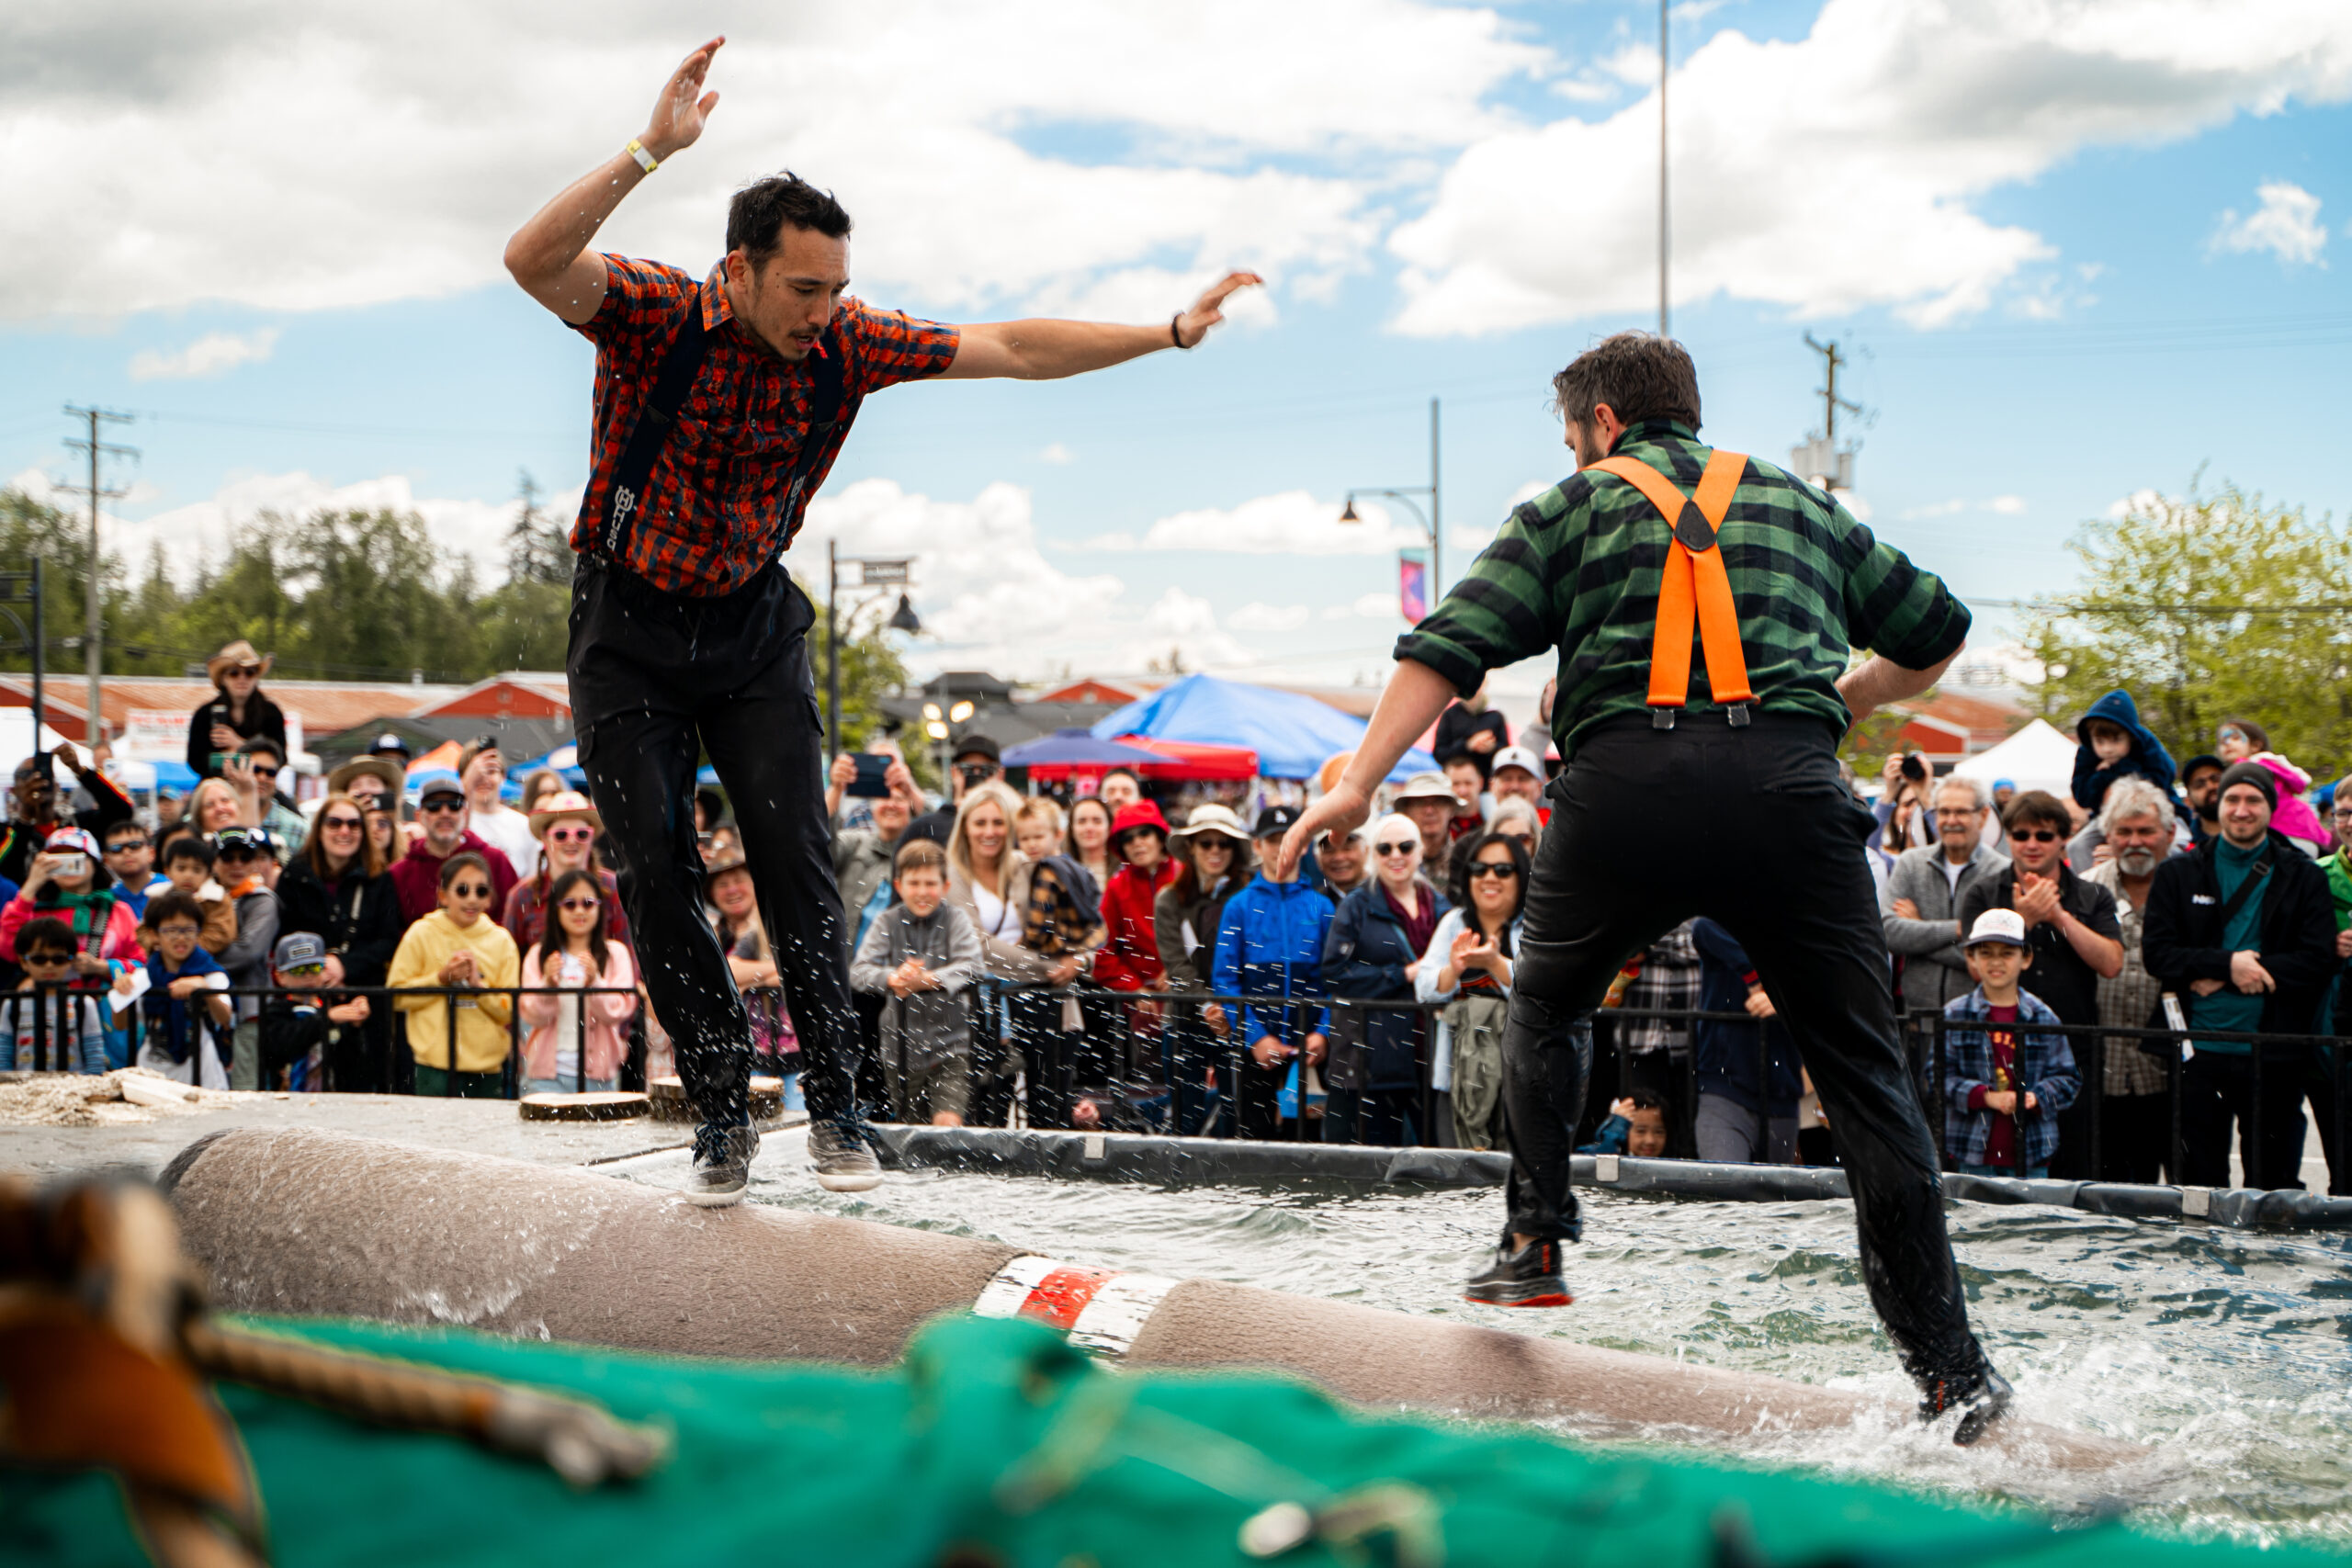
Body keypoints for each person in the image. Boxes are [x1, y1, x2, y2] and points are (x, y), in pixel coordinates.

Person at [505, 31, 1263, 1199]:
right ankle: (721, 1115)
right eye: (803, 288)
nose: (824, 310)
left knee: (798, 862)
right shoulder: (653, 310)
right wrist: (648, 149)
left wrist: (1165, 332)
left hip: (752, 623)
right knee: (656, 873)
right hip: (628, 629)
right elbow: (530, 256)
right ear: (739, 269)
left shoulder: (848, 344)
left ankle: (840, 1113)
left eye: (836, 288)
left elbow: (1012, 345)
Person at [1280, 331, 2011, 1438]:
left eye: (1571, 436)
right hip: (1789, 795)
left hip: (1624, 791)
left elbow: (1449, 647)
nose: (1573, 454)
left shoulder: (1567, 509)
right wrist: (1833, 703)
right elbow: (1937, 630)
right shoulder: (1797, 504)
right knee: (1866, 1082)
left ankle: (1534, 1237)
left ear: (1602, 424)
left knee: (1546, 1004)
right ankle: (1954, 1375)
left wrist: (1358, 785)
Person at [2143, 761, 2336, 1190]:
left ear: (2271, 806)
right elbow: (2157, 954)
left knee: (2275, 1187)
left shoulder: (2303, 875)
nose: (2242, 809)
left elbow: (2317, 959)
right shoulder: (2178, 873)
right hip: (2198, 1052)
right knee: (2199, 1186)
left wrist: (2241, 970)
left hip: (2274, 1052)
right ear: (2219, 803)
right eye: (2233, 798)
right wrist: (2229, 965)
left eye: (2254, 799)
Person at [1957, 788, 2122, 1178]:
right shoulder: (1983, 891)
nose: (2032, 844)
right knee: (1994, 1174)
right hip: (1994, 1050)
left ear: (2064, 838)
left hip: (2071, 1049)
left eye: (2044, 835)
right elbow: (1976, 970)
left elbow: (2111, 963)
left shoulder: (2092, 893)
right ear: (2007, 837)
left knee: (2074, 1168)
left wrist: (2058, 916)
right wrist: (2023, 920)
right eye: (2021, 835)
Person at [1323, 812, 1445, 1146]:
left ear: (1420, 851)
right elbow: (1335, 974)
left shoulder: (1440, 905)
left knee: (1435, 1160)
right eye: (1385, 848)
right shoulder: (1356, 906)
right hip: (1372, 1059)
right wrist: (1402, 974)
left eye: (1405, 846)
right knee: (1371, 1163)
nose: (1396, 855)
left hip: (1429, 1053)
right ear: (1372, 855)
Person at [1212, 807, 1333, 1140]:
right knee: (1253, 1139)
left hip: (1309, 1049)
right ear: (1256, 846)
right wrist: (1256, 1037)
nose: (1282, 848)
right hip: (1255, 1048)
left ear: (1304, 845)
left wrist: (1322, 1033)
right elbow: (1225, 980)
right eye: (1273, 840)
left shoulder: (1321, 907)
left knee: (1308, 1142)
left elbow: (1335, 980)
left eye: (1289, 840)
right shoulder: (1238, 905)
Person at [2080, 776, 2176, 1184]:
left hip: (2169, 1068)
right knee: (2107, 1186)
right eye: (2124, 832)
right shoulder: (2085, 889)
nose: (2135, 841)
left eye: (2146, 831)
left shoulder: (2187, 885)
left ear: (2168, 834)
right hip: (2102, 1065)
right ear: (2108, 835)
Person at [274, 792, 403, 1094]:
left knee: (360, 1088)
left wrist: (343, 964)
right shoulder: (296, 875)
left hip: (362, 999)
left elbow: (388, 940)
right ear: (319, 829)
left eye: (353, 824)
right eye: (334, 823)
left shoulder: (378, 879)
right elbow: (283, 936)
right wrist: (313, 966)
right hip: (304, 997)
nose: (344, 831)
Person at [851, 839, 983, 1126]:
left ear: (945, 887)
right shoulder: (888, 921)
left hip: (951, 1047)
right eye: (914, 883)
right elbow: (858, 971)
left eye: (930, 883)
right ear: (899, 886)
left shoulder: (956, 919)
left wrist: (929, 980)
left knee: (947, 1126)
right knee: (912, 1131)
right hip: (900, 1049)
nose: (922, 892)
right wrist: (892, 977)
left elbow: (974, 966)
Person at [1940, 909, 2079, 1179]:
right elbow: (1937, 1078)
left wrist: (2036, 1096)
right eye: (1986, 953)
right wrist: (1986, 1096)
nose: (1996, 962)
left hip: (2033, 1153)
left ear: (2025, 958)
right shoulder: (1954, 1014)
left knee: (2029, 1219)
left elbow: (2068, 1078)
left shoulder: (2043, 1017)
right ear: (1971, 958)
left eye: (2007, 953)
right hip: (1971, 1151)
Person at [1415, 831, 1528, 1152]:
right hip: (1457, 1080)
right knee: (1458, 1181)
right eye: (1480, 869)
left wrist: (1496, 964)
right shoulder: (1454, 922)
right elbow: (1424, 987)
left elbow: (1541, 992)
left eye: (1503, 870)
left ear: (1521, 876)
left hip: (1520, 1082)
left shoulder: (1534, 925)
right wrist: (1453, 971)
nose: (1490, 877)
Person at [390, 852, 520, 1099]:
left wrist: (477, 987)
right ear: (443, 895)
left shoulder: (501, 940)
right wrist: (440, 979)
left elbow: (510, 1008)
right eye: (462, 890)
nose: (471, 899)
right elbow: (396, 995)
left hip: (487, 1067)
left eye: (480, 891)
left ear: (489, 899)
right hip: (433, 1066)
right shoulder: (422, 932)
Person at [1154, 804, 1250, 1136]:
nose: (1215, 851)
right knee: (1184, 1120)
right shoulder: (1169, 899)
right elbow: (1176, 965)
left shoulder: (1247, 896)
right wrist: (1209, 1005)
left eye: (1223, 843)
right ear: (1191, 848)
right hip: (1184, 1018)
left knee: (1239, 1119)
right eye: (1206, 843)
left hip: (1237, 1018)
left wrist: (1226, 1007)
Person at [1883, 777, 2009, 1017]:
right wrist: (1956, 931)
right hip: (1918, 1019)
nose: (1951, 821)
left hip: (1978, 1019)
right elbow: (1889, 933)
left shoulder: (2001, 871)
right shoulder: (1911, 863)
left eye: (1961, 812)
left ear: (1983, 816)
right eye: (1944, 812)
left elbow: (1992, 959)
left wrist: (1919, 930)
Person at [1688, 918, 1803, 1164]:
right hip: (1724, 1086)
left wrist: (1783, 996)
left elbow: (1828, 975)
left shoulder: (1804, 919)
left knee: (1776, 1200)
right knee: (1723, 1194)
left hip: (1782, 1091)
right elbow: (1704, 926)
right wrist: (1756, 978)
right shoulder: (1726, 915)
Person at [519, 869, 640, 1096]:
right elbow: (531, 1015)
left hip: (598, 1075)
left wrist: (595, 981)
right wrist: (547, 984)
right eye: (569, 904)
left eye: (587, 903)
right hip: (545, 1077)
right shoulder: (538, 954)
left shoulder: (615, 953)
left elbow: (618, 1011)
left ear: (599, 908)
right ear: (556, 909)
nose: (579, 911)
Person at [707, 848, 798, 1087]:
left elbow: (801, 973)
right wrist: (774, 973)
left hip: (793, 1053)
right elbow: (727, 974)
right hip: (744, 1052)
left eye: (739, 881)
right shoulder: (712, 936)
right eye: (723, 884)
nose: (732, 890)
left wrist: (754, 978)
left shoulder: (779, 928)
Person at [0, 828, 143, 978]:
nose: (69, 866)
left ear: (94, 862)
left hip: (102, 998)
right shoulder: (35, 909)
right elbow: (9, 950)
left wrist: (102, 967)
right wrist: (31, 885)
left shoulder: (117, 910)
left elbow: (142, 963)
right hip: (50, 998)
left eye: (76, 858)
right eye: (59, 860)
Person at [502, 792, 631, 951]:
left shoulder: (613, 888)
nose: (571, 841)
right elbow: (510, 963)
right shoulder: (521, 896)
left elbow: (628, 961)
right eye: (561, 835)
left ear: (592, 837)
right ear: (545, 838)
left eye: (581, 834)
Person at [391, 771, 519, 927]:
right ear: (419, 816)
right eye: (434, 806)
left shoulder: (496, 861)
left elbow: (513, 922)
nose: (445, 813)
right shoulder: (399, 874)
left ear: (464, 813)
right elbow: (393, 933)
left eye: (454, 805)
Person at [134, 890, 233, 1088]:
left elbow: (225, 1019)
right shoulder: (145, 976)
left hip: (201, 1068)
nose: (181, 938)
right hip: (153, 1069)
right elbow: (121, 1023)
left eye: (188, 930)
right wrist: (121, 990)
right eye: (171, 930)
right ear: (154, 934)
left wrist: (203, 989)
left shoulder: (210, 973)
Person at [1, 744, 133, 887]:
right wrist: (25, 818)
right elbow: (6, 872)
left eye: (44, 774)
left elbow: (122, 811)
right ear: (14, 790)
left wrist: (80, 771)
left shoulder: (81, 826)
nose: (36, 780)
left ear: (57, 785)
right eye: (27, 775)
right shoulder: (7, 833)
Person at [211, 827, 282, 1093]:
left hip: (248, 1012)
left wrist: (197, 963)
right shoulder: (204, 898)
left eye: (245, 857)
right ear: (215, 862)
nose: (237, 865)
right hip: (210, 1010)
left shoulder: (262, 900)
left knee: (245, 1090)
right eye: (228, 858)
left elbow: (248, 951)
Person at [258, 932, 370, 1093]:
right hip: (287, 1095)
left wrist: (354, 1025)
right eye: (299, 970)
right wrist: (327, 1019)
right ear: (280, 976)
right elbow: (282, 1045)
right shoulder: (276, 1010)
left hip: (330, 1094)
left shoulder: (330, 1007)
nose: (308, 976)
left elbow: (350, 1061)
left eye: (315, 967)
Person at [5, 917, 111, 1074]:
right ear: (23, 962)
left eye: (58, 959)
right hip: (24, 1090)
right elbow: (3, 1054)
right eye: (39, 959)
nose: (49, 965)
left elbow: (94, 1056)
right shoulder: (13, 1004)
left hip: (73, 1090)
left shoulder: (83, 1004)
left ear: (71, 961)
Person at [2216, 719, 2333, 855]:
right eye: (2222, 740)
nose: (2228, 743)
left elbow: (2267, 802)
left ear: (2255, 745)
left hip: (2288, 835)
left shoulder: (2258, 769)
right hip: (2297, 832)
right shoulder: (2263, 767)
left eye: (2235, 737)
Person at [185, 640, 287, 782]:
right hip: (215, 785)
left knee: (288, 805)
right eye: (234, 673)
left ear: (256, 678)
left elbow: (281, 758)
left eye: (249, 673)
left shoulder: (271, 713)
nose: (242, 678)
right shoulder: (204, 714)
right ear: (223, 679)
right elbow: (194, 760)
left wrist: (241, 744)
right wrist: (223, 763)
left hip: (258, 784)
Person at [2070, 689, 2176, 820]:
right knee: (2078, 842)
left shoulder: (2147, 746)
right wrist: (2103, 776)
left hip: (2158, 815)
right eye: (2100, 741)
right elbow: (2082, 798)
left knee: (2180, 838)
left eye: (2116, 740)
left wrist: (2118, 768)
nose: (2107, 749)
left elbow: (2161, 780)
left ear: (2131, 737)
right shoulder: (2086, 753)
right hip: (2106, 818)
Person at [458, 740, 541, 879]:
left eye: (491, 771)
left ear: (502, 777)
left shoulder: (523, 824)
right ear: (463, 779)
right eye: (476, 772)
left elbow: (533, 879)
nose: (484, 779)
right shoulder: (455, 823)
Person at [904, 737, 1005, 849]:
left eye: (986, 770)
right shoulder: (926, 828)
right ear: (954, 772)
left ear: (1000, 775)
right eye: (967, 769)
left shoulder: (1012, 826)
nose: (976, 776)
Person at [147, 836, 237, 956]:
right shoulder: (158, 898)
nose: (188, 875)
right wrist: (157, 945)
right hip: (163, 962)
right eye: (181, 868)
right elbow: (144, 930)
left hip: (204, 963)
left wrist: (179, 949)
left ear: (208, 874)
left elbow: (219, 935)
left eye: (197, 870)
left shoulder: (216, 899)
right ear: (168, 871)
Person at [235, 739, 309, 863]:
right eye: (256, 770)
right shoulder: (222, 816)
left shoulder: (298, 828)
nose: (262, 778)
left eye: (271, 773)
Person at [1391, 772, 1459, 887]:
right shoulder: (1394, 861)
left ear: (1451, 809)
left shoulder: (1462, 859)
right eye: (1420, 803)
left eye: (1439, 802)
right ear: (1407, 811)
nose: (1429, 811)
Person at [1431, 686, 1510, 779]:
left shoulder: (1495, 715)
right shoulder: (1450, 715)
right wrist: (1468, 745)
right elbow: (1439, 754)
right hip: (1456, 780)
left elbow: (1506, 753)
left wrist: (1491, 748)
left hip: (1486, 780)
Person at [100, 819, 168, 921]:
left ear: (151, 853)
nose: (126, 852)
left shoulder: (169, 889)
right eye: (116, 848)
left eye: (135, 845)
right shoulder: (108, 900)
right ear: (107, 861)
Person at [1577, 1089, 1670, 1158]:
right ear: (1624, 1130)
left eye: (1659, 1132)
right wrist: (1615, 1130)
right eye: (1641, 1131)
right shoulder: (1602, 1156)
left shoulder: (1672, 1166)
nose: (1650, 1140)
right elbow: (1600, 1162)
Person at [1066, 796, 1116, 894]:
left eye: (1097, 821)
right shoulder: (1060, 872)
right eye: (1082, 821)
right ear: (1072, 829)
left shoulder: (1125, 873)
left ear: (1109, 827)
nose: (1089, 828)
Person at [1487, 746, 1548, 819]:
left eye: (1523, 779)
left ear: (1539, 787)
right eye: (1507, 779)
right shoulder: (1479, 828)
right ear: (1492, 786)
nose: (1515, 786)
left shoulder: (1556, 827)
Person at [2178, 753, 2225, 848]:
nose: (2210, 787)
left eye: (2216, 779)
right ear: (2189, 800)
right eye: (2199, 785)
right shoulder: (2184, 846)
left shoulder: (2257, 833)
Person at [1312, 826, 1371, 900]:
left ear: (1366, 851)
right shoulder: (1314, 903)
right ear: (1316, 858)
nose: (1338, 857)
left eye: (1347, 849)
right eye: (1329, 851)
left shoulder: (1386, 893)